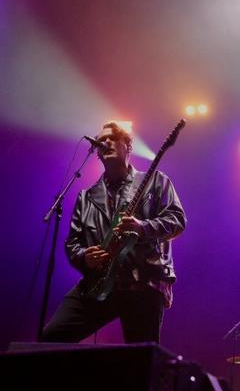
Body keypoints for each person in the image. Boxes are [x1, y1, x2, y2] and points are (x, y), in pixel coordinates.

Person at [40, 121, 186, 343]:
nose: (105, 142)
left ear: (128, 146)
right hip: (98, 282)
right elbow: (73, 243)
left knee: (140, 357)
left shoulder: (156, 181)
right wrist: (84, 257)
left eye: (113, 138)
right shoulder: (86, 197)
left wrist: (142, 227)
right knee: (52, 336)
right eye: (101, 140)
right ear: (97, 153)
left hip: (142, 281)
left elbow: (177, 221)